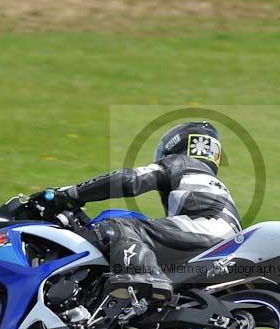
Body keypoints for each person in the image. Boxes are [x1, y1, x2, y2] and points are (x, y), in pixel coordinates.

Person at [31, 121, 241, 302]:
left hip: (205, 229)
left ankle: (147, 277)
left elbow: (128, 180)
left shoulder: (182, 163)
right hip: (225, 242)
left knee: (117, 225)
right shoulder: (212, 183)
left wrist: (71, 194)